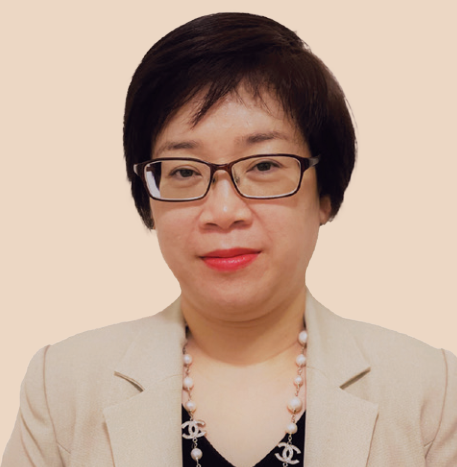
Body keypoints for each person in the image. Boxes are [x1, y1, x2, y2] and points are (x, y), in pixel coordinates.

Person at [2, 12, 456, 467]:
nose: (223, 212)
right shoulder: (63, 388)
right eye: (184, 171)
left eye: (263, 166)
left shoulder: (430, 394)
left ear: (325, 193)